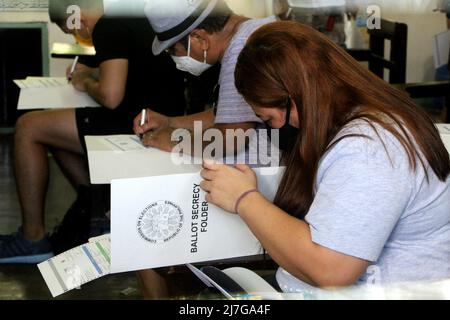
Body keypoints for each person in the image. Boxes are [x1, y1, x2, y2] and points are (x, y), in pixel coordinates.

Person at [200, 21, 450, 292]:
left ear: (294, 98)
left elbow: (331, 270)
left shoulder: (367, 149)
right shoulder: (365, 118)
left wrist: (244, 200)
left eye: (269, 119)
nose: (276, 129)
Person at [0, 0, 186, 263]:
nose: (78, 36)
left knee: (28, 127)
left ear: (79, 18)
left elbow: (110, 96)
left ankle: (33, 239)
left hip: (138, 123)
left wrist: (85, 80)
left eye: (72, 30)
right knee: (50, 130)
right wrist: (92, 71)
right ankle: (98, 204)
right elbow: (131, 68)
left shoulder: (107, 26)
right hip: (157, 113)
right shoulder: (127, 16)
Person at [133, 0, 277, 299]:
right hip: (283, 162)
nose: (176, 59)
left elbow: (233, 136)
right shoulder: (253, 31)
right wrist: (171, 121)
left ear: (199, 38)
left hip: (280, 177)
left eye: (175, 50)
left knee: (147, 221)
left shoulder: (241, 50)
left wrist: (169, 140)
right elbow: (225, 114)